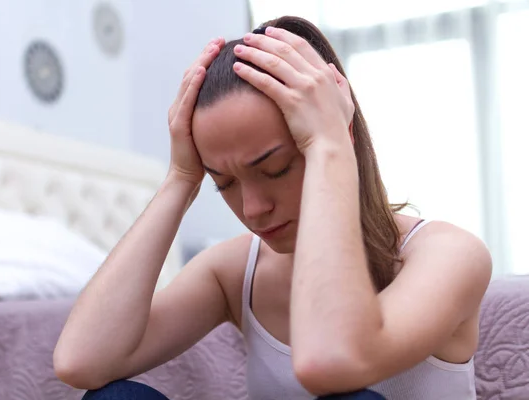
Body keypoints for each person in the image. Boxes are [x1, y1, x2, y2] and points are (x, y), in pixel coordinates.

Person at [53, 15, 492, 400]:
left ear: (342, 131)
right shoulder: (232, 273)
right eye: (223, 183)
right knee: (116, 397)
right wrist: (181, 180)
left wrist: (328, 144)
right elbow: (82, 361)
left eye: (277, 168)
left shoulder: (448, 255)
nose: (253, 208)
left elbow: (332, 359)